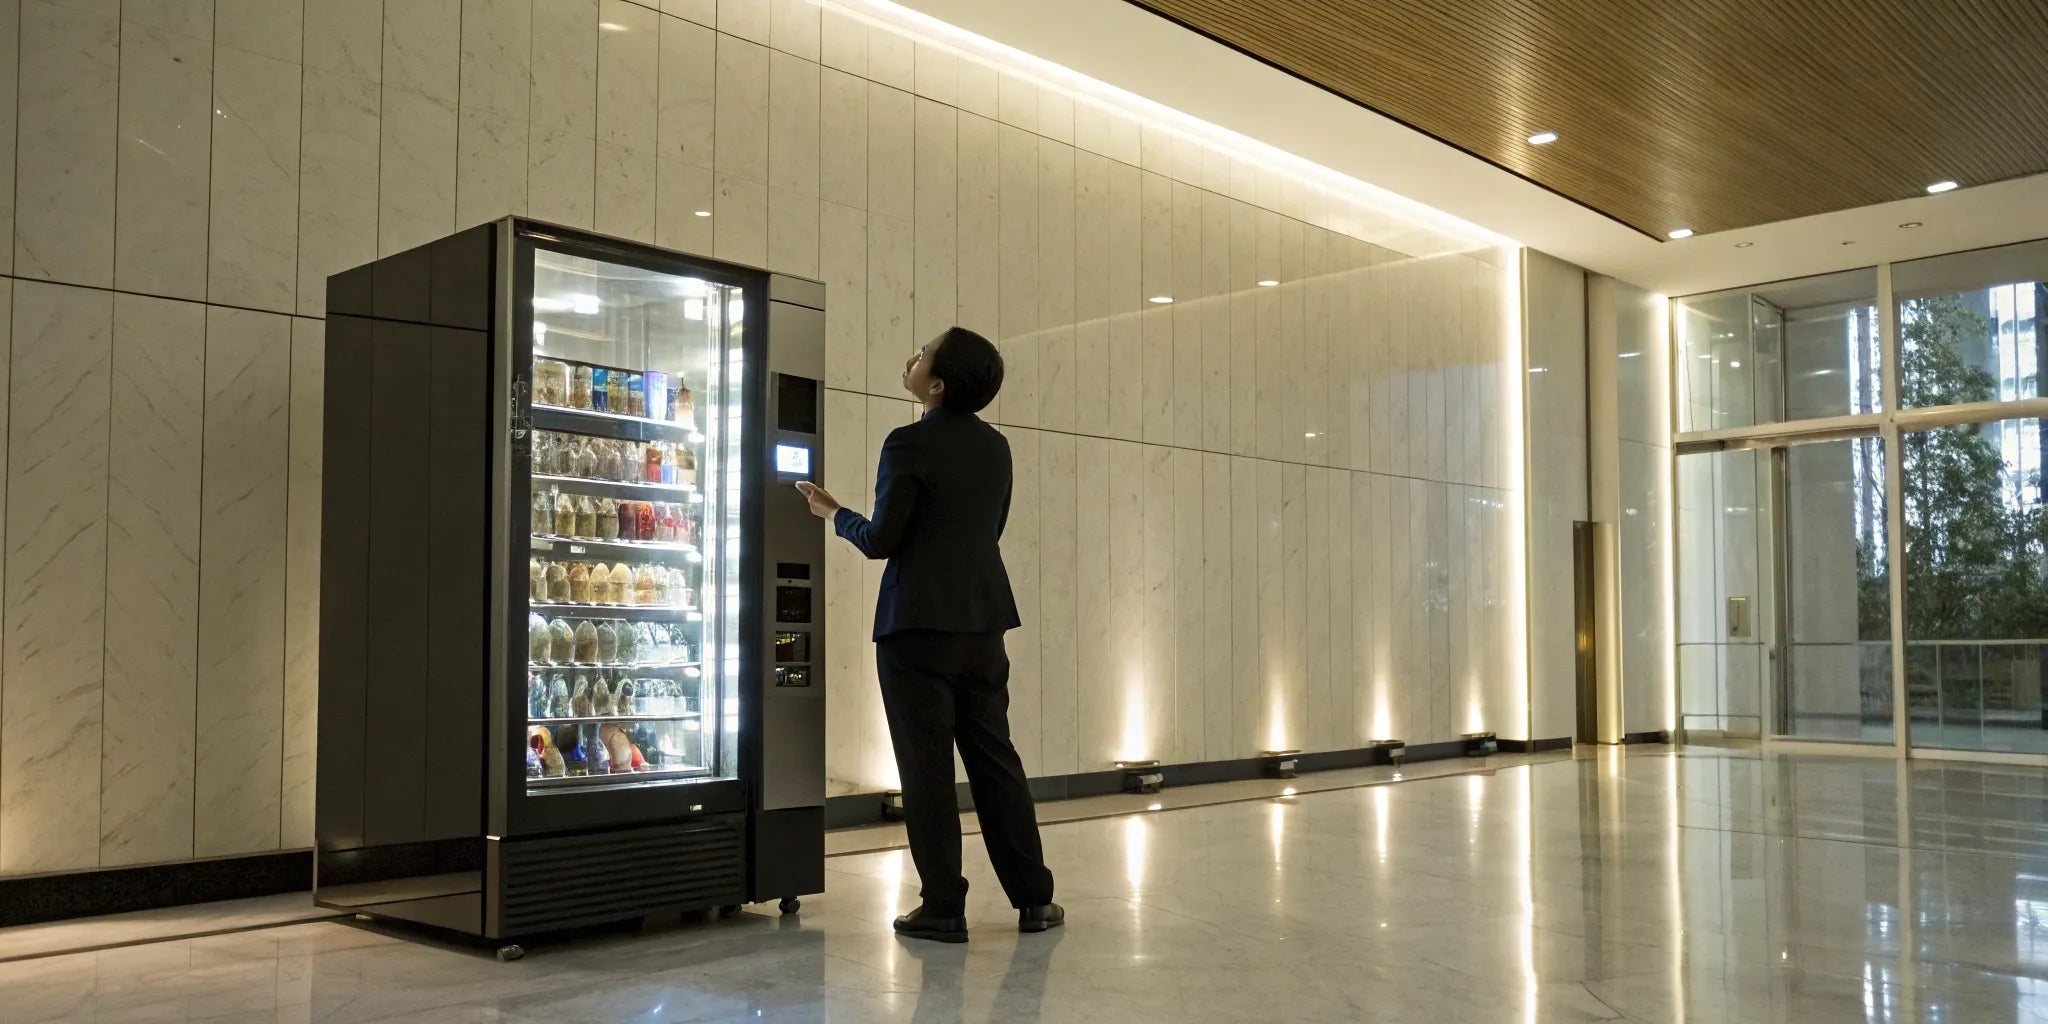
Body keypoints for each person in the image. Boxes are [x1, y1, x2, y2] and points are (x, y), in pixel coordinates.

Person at [795, 327, 1061, 944]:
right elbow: (987, 531)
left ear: (935, 384)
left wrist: (834, 514)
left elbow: (883, 541)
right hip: (982, 620)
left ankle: (944, 906)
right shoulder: (998, 449)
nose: (911, 358)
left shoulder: (907, 442)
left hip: (915, 626)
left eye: (922, 354)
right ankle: (1035, 899)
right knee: (996, 760)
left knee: (928, 768)